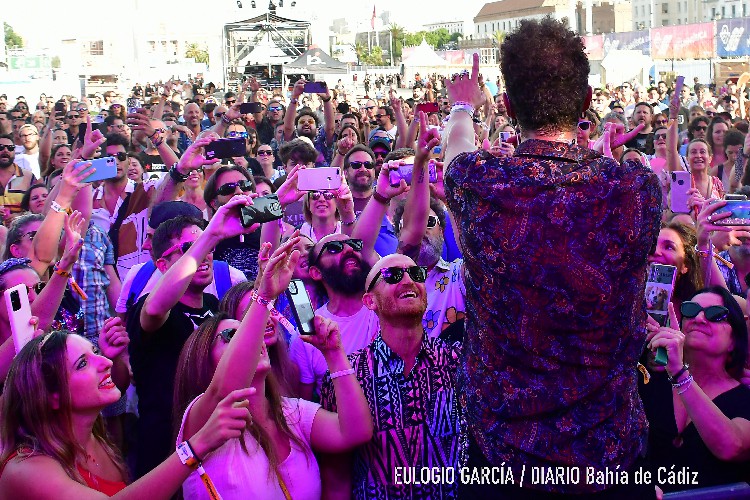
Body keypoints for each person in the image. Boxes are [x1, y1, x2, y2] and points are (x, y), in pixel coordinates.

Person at [443, 20, 662, 497]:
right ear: (586, 102)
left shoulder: (483, 183)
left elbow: (454, 152)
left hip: (505, 462)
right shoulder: (635, 190)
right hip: (611, 458)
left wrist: (462, 106)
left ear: (507, 105)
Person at [174, 237, 372, 499]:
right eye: (232, 336)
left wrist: (334, 354)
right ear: (203, 359)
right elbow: (224, 388)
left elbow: (355, 432)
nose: (254, 338)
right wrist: (264, 295)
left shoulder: (292, 413)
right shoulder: (204, 420)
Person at [0, 330, 255, 498]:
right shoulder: (26, 468)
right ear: (50, 395)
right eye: (82, 363)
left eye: (95, 352)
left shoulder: (95, 439)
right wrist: (197, 445)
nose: (106, 363)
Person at [126, 195, 258, 477]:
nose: (205, 254)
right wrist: (211, 235)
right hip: (166, 453)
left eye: (208, 247)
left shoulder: (215, 307)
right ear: (163, 265)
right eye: (190, 248)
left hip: (218, 449)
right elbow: (156, 308)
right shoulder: (150, 308)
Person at [319, 253, 463, 499]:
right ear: (370, 301)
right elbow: (337, 475)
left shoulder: (456, 362)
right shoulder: (347, 377)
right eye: (393, 275)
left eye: (416, 273)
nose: (408, 280)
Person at [641, 287, 750, 492]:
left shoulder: (745, 397)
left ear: (734, 341)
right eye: (691, 310)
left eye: (715, 314)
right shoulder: (649, 379)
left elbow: (732, 446)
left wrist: (679, 373)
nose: (699, 318)